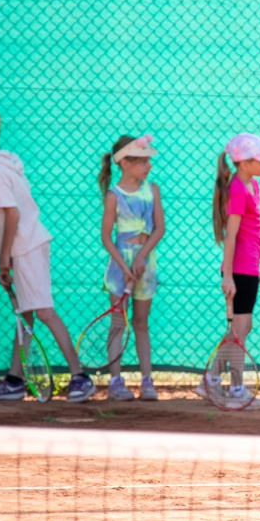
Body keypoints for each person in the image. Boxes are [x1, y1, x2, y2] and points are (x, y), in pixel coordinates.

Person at [0, 109, 96, 403]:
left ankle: (79, 376)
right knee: (26, 315)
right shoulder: (5, 161)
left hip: (24, 246)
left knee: (43, 311)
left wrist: (5, 257)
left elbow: (11, 214)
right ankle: (14, 380)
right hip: (29, 243)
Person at [196, 133, 260, 410]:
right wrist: (228, 275)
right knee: (239, 330)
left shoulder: (252, 184)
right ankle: (237, 390)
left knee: (242, 328)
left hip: (251, 267)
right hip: (239, 270)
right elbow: (230, 238)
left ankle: (210, 380)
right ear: (244, 163)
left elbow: (258, 226)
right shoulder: (237, 190)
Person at [98, 134, 165, 401]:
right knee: (118, 323)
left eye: (148, 161)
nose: (148, 166)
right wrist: (124, 266)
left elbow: (159, 228)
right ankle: (115, 381)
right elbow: (106, 237)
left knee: (140, 323)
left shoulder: (153, 190)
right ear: (124, 163)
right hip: (119, 267)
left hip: (145, 264)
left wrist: (140, 258)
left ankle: (147, 381)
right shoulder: (113, 196)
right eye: (143, 161)